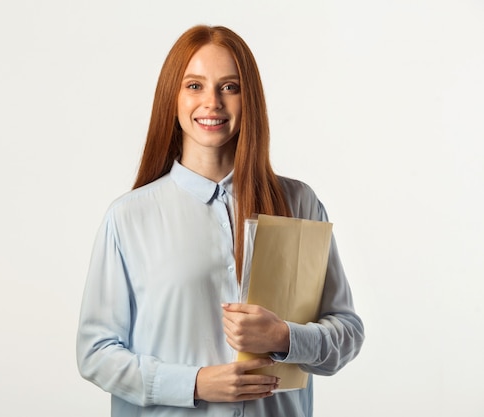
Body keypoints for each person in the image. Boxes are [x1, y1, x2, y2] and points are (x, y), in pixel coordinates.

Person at [76, 25, 364, 416]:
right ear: (172, 98)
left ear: (250, 99)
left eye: (230, 87)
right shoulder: (129, 217)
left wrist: (284, 336)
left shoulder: (299, 203)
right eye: (194, 86)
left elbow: (346, 333)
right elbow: (96, 354)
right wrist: (194, 384)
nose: (212, 102)